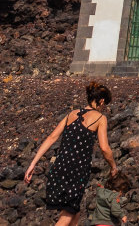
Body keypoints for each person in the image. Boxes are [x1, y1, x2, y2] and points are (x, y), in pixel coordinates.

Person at [25, 82, 117, 226]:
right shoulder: (100, 118)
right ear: (102, 101)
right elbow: (105, 148)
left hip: (59, 169)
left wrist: (32, 164)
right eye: (105, 105)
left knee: (75, 211)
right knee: (68, 214)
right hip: (76, 172)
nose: (104, 108)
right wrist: (113, 167)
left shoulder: (71, 114)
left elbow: (51, 138)